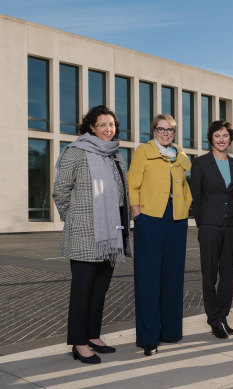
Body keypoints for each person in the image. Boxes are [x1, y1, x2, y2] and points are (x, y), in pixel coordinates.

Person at [53, 105, 132, 364]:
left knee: (100, 290)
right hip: (85, 234)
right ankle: (78, 342)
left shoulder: (116, 155)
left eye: (111, 125)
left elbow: (122, 195)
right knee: (82, 291)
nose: (108, 129)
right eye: (102, 125)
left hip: (111, 235)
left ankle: (93, 335)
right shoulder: (76, 152)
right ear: (91, 127)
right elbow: (61, 191)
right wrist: (75, 218)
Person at [128, 114, 192, 356]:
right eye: (161, 129)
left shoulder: (179, 156)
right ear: (153, 130)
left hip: (177, 220)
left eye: (170, 130)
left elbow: (185, 184)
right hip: (149, 218)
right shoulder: (143, 151)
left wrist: (187, 205)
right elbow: (132, 182)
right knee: (148, 278)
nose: (165, 134)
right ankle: (148, 337)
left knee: (173, 277)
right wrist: (137, 213)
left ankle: (171, 331)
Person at [191, 120, 233, 339]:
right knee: (210, 273)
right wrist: (204, 225)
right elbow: (196, 196)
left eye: (225, 135)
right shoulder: (201, 163)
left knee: (229, 273)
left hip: (231, 225)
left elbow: (231, 196)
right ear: (211, 139)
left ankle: (223, 315)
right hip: (210, 226)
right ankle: (213, 319)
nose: (221, 139)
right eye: (217, 136)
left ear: (231, 139)